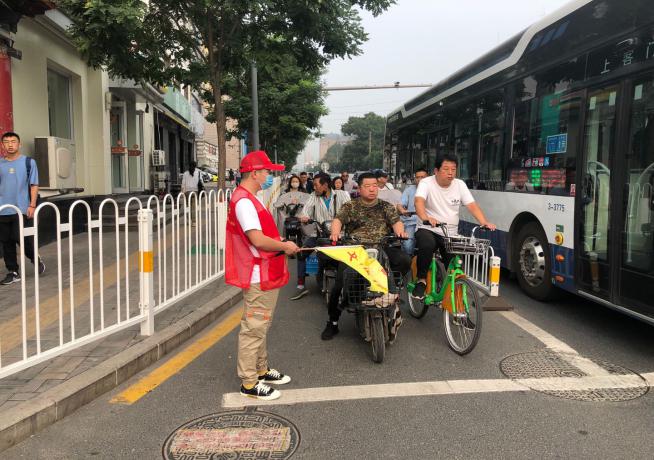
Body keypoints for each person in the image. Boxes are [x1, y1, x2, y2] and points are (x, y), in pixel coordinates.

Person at [225, 150, 300, 401]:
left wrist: (279, 242)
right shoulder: (245, 202)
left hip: (265, 270)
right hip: (259, 272)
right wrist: (284, 245)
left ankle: (261, 369)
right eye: (267, 171)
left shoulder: (249, 198)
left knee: (261, 324)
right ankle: (249, 382)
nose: (269, 176)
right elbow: (256, 239)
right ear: (254, 173)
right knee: (254, 327)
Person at [321, 172, 411, 341]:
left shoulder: (386, 206)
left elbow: (396, 222)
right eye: (367, 186)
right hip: (356, 250)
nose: (372, 189)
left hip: (381, 246)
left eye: (375, 186)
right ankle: (332, 322)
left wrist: (400, 232)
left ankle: (392, 289)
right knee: (340, 283)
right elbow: (338, 221)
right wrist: (335, 233)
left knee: (404, 260)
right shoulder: (350, 206)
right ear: (360, 188)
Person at [412, 155, 496, 299]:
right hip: (428, 228)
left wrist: (484, 222)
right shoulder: (426, 183)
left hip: (450, 233)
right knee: (427, 244)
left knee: (455, 265)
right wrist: (426, 218)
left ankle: (456, 301)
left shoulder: (459, 184)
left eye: (453, 169)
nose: (450, 173)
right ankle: (421, 280)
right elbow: (418, 202)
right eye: (446, 169)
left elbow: (472, 205)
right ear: (436, 171)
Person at [292, 173, 350, 300]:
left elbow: (350, 210)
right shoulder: (313, 196)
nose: (314, 188)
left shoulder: (342, 195)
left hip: (340, 235)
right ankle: (301, 286)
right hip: (319, 235)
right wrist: (304, 217)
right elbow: (305, 210)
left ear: (325, 185)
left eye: (316, 185)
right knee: (301, 253)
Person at [0, 132, 45, 285]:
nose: (10, 144)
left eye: (13, 141)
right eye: (6, 142)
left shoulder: (28, 162)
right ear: (2, 145)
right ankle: (13, 272)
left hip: (21, 209)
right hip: (2, 209)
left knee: (20, 238)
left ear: (19, 144)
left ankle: (34, 258)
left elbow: (34, 185)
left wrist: (32, 205)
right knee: (6, 241)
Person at [397, 168, 429, 255]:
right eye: (417, 177)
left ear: (428, 178)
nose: (419, 179)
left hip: (428, 223)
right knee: (407, 245)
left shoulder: (433, 190)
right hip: (412, 222)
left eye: (422, 177)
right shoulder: (409, 190)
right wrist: (403, 211)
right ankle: (408, 261)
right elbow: (400, 204)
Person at [181, 161, 203, 226]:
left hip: (187, 192)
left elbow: (183, 184)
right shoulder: (198, 173)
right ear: (195, 166)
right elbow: (202, 182)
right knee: (194, 207)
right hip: (195, 192)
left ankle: (188, 220)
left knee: (188, 206)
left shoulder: (185, 173)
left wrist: (182, 192)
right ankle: (194, 222)